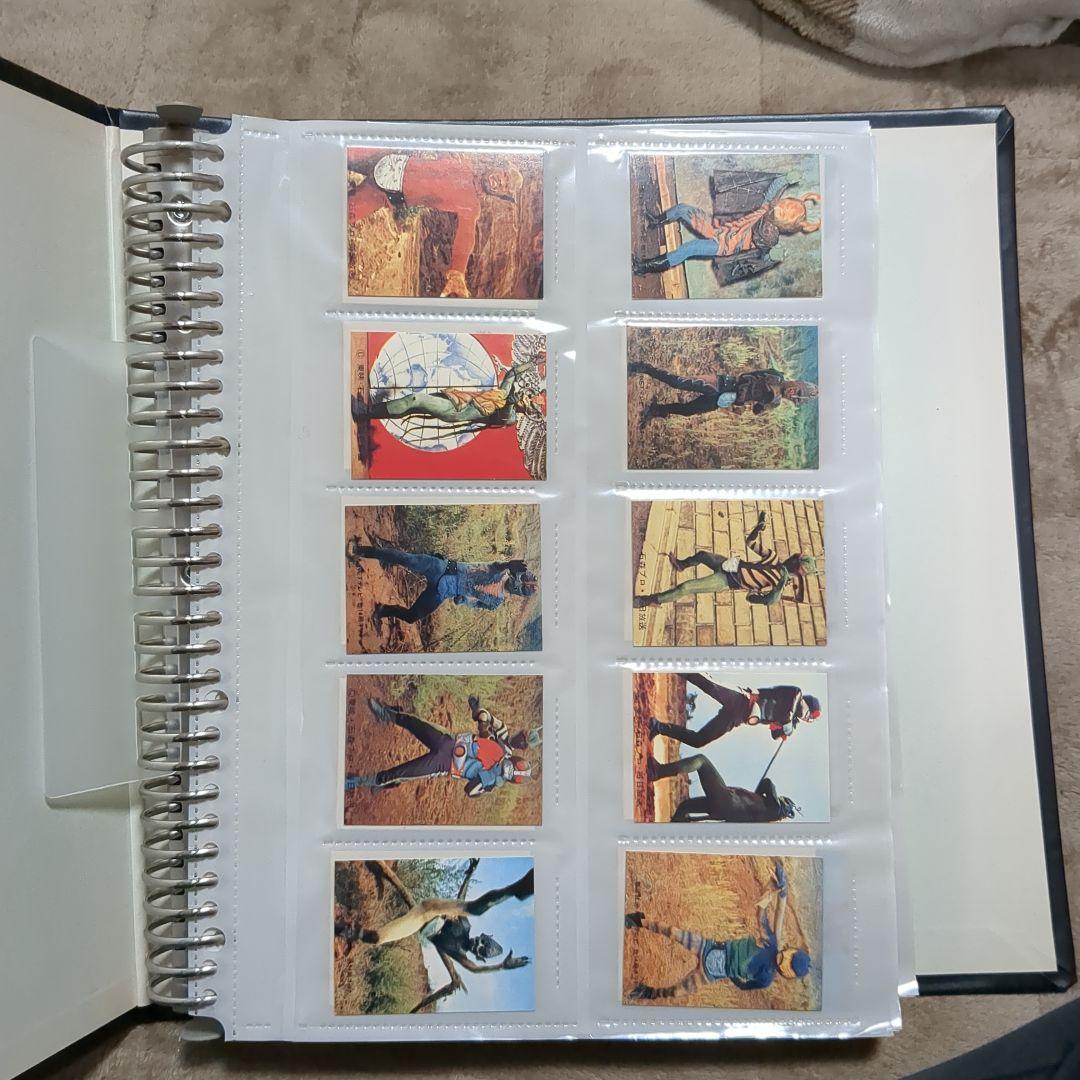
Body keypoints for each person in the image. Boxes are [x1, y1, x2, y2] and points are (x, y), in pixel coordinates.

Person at [624, 859, 811, 1001]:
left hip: (711, 974)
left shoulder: (766, 978)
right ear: (791, 950)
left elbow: (744, 986)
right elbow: (763, 913)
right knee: (673, 932)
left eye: (789, 965)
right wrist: (775, 889)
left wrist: (730, 973)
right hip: (709, 947)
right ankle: (640, 921)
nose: (785, 960)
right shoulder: (770, 943)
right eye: (790, 957)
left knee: (677, 991)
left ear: (789, 975)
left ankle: (649, 993)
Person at [348, 151, 524, 298]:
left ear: (501, 195)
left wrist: (457, 272)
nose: (501, 181)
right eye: (505, 175)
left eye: (505, 186)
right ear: (498, 167)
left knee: (340, 214)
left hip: (382, 193)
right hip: (386, 156)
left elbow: (466, 236)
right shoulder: (464, 163)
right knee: (339, 150)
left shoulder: (471, 206)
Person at [632, 168, 820, 287]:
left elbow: (761, 259)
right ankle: (655, 221)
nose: (781, 208)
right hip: (717, 227)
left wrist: (772, 257)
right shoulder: (767, 207)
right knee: (682, 209)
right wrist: (786, 179)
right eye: (785, 204)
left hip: (722, 244)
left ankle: (643, 267)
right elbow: (774, 189)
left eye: (786, 214)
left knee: (690, 248)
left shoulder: (770, 237)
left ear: (787, 226)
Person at [347, 532, 538, 629]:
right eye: (522, 581)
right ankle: (361, 551)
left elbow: (474, 603)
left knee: (413, 617)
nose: (518, 584)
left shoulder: (496, 602)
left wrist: (463, 600)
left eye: (522, 588)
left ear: (519, 593)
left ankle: (383, 610)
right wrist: (508, 564)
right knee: (406, 559)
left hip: (443, 591)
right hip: (444, 568)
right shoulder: (501, 572)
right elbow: (494, 566)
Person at [633, 510, 818, 610]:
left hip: (727, 580)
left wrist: (776, 588)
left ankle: (650, 600)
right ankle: (681, 565)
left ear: (797, 571)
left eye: (795, 563)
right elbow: (751, 543)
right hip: (730, 565)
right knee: (702, 555)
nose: (791, 560)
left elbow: (763, 600)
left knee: (686, 587)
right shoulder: (773, 557)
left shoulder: (778, 582)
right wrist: (758, 528)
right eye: (795, 558)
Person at [345, 697, 533, 795]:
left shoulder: (493, 782)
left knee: (401, 772)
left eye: (523, 742)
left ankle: (360, 782)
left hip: (444, 764)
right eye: (523, 737)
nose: (520, 740)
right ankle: (385, 714)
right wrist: (480, 713)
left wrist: (490, 778)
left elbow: (470, 790)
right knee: (414, 722)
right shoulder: (503, 736)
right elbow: (487, 717)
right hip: (449, 740)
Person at [344, 864, 534, 948]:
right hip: (432, 910)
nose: (477, 945)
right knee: (476, 909)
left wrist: (501, 967)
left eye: (480, 949)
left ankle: (343, 931)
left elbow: (474, 969)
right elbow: (462, 900)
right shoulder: (465, 927)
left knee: (378, 938)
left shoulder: (459, 954)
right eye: (482, 942)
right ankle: (515, 889)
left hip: (419, 921)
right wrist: (469, 874)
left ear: (480, 956)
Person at [649, 674, 822, 747]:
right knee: (708, 684)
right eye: (808, 714)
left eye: (808, 719)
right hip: (743, 699)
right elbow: (789, 709)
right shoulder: (796, 694)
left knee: (700, 740)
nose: (805, 718)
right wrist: (787, 725)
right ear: (807, 705)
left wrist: (782, 733)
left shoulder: (790, 720)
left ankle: (658, 727)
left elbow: (775, 733)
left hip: (739, 717)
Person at [628, 358, 817, 422]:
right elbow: (747, 376)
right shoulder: (775, 376)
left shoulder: (774, 403)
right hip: (721, 384)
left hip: (724, 399)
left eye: (797, 397)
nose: (793, 394)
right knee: (678, 382)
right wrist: (748, 393)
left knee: (688, 411)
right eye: (798, 390)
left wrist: (755, 406)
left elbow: (756, 409)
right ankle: (644, 368)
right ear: (797, 383)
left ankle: (657, 409)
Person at [644, 752, 797, 823]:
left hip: (728, 801)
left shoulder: (774, 807)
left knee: (702, 761)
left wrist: (759, 794)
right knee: (686, 806)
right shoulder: (764, 817)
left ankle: (658, 771)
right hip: (722, 812)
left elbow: (768, 783)